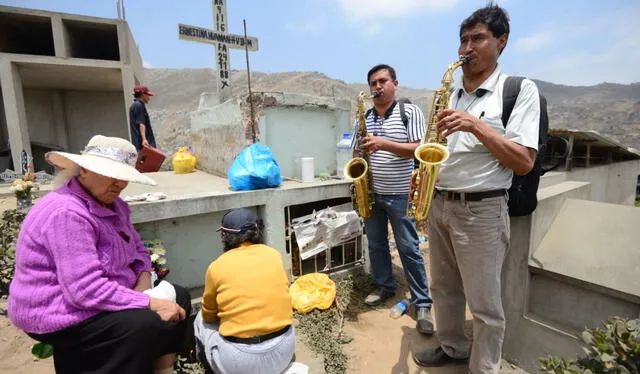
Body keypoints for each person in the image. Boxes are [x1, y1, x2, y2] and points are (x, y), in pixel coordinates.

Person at [412, 3, 540, 373]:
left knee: (484, 304)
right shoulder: (448, 95)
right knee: (444, 290)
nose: (466, 48)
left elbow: (524, 161)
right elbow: (431, 146)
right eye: (463, 40)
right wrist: (421, 175)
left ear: (501, 42)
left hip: (482, 210)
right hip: (439, 205)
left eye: (477, 38)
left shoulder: (519, 90)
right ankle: (452, 348)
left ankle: (484, 367)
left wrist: (476, 125)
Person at [8, 135, 193, 374]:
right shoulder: (67, 213)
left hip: (101, 294)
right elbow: (84, 290)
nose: (118, 184)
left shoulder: (116, 206)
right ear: (84, 170)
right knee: (143, 324)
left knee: (179, 296)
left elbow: (137, 250)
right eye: (110, 175)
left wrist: (144, 278)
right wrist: (147, 302)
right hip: (58, 307)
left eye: (123, 177)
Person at [351, 64, 434, 334]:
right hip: (373, 193)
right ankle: (385, 286)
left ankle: (422, 302)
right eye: (373, 82)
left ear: (395, 84)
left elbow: (421, 150)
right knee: (376, 245)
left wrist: (383, 144)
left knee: (409, 248)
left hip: (401, 194)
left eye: (383, 81)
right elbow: (357, 153)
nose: (377, 87)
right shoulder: (364, 117)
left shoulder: (409, 112)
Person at [194, 208, 295, 374]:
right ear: (256, 232)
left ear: (224, 236)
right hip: (283, 351)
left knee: (200, 319)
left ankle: (204, 362)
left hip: (239, 363)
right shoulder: (274, 255)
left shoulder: (217, 267)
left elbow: (209, 315)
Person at [130, 85, 157, 151]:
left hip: (142, 145)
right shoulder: (138, 105)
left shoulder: (137, 105)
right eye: (147, 95)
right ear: (142, 94)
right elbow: (141, 124)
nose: (149, 98)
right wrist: (144, 139)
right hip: (144, 145)